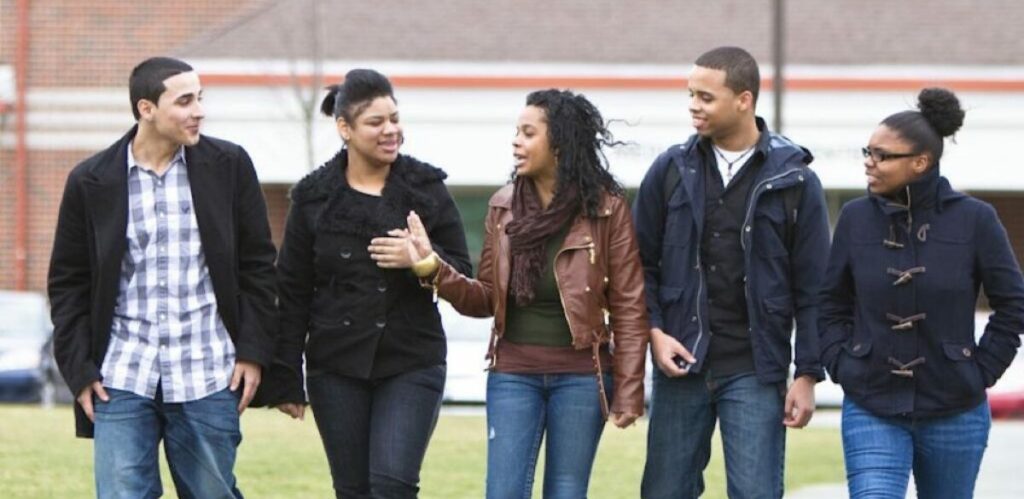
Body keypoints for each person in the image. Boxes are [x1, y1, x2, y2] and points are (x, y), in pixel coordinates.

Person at [393, 88, 649, 498]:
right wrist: (432, 268)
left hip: (582, 376)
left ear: (561, 144)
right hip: (513, 373)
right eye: (516, 131)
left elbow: (630, 304)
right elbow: (485, 300)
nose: (516, 141)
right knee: (504, 492)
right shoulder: (502, 207)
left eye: (528, 133)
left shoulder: (606, 208)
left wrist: (631, 390)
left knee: (567, 491)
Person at [47, 56, 277, 498]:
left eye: (201, 98)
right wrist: (79, 370)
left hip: (208, 372)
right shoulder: (90, 180)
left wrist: (253, 351)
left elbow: (258, 267)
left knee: (212, 493)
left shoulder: (229, 166)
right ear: (146, 109)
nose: (199, 111)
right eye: (185, 101)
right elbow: (68, 284)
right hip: (121, 376)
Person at [262, 68, 472, 498]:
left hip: (412, 360)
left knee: (391, 484)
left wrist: (424, 261)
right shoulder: (313, 198)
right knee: (353, 489)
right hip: (336, 366)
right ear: (345, 128)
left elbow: (466, 275)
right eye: (376, 122)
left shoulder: (426, 188)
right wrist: (286, 377)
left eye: (394, 118)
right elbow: (293, 292)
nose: (391, 130)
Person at [633, 46, 831, 499]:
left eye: (706, 96)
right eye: (690, 95)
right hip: (681, 362)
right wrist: (654, 330)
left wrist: (807, 374)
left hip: (756, 368)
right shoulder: (669, 169)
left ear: (744, 100)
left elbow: (814, 287)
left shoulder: (796, 179)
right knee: (664, 492)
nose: (693, 106)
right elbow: (638, 264)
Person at [818, 87, 1024, 498]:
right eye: (867, 151)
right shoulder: (856, 219)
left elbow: (1013, 304)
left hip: (955, 407)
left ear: (920, 162)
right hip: (871, 400)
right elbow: (831, 302)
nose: (868, 163)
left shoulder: (976, 220)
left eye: (881, 155)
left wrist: (980, 371)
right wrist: (841, 363)